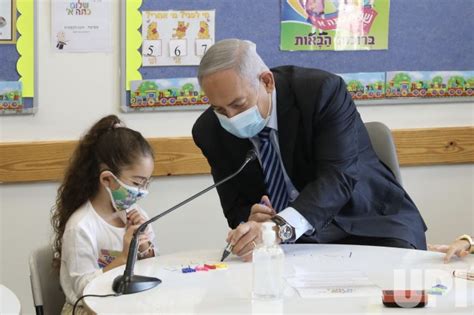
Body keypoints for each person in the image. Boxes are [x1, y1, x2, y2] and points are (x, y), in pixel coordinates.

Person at [192, 39, 427, 261]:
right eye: (220, 110)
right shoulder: (210, 131)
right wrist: (252, 220)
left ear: (266, 82)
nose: (231, 118)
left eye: (238, 104)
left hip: (370, 224)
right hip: (292, 246)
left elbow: (338, 178)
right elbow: (236, 208)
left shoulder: (321, 91)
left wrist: (281, 226)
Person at [51, 115, 157, 314]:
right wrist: (124, 258)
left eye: (146, 183)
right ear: (108, 180)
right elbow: (83, 289)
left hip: (126, 305)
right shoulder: (81, 226)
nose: (142, 191)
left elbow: (151, 270)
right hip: (86, 309)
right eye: (136, 183)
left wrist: (144, 249)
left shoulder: (137, 216)